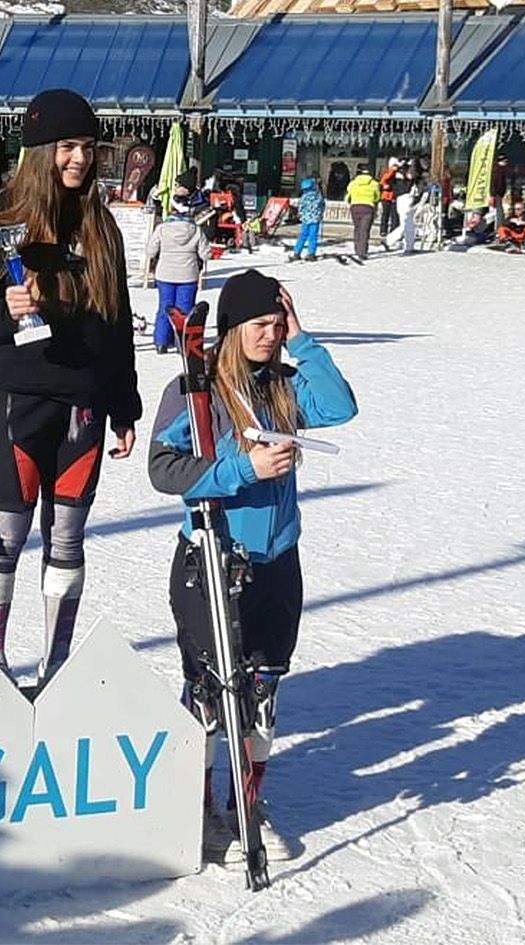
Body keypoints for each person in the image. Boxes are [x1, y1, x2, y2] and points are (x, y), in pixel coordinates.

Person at [147, 268, 357, 865]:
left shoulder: (283, 386)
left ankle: (247, 802)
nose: (269, 335)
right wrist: (244, 469)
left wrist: (303, 338)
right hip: (214, 559)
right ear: (232, 327)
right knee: (212, 693)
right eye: (259, 325)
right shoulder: (197, 391)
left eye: (276, 323)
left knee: (263, 691)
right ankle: (199, 805)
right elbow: (164, 469)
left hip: (277, 561)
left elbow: (340, 407)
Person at [0, 89, 140, 683]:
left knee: (68, 537)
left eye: (87, 148)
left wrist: (124, 403)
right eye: (67, 147)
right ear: (40, 152)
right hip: (17, 400)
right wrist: (7, 311)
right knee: (5, 535)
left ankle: (56, 666)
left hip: (82, 408)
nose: (80, 160)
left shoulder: (101, 227)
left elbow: (117, 323)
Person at [147, 201, 208, 354]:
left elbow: (150, 251)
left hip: (165, 274)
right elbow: (206, 253)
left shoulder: (161, 229)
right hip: (188, 275)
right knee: (185, 310)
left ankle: (161, 342)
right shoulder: (196, 230)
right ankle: (182, 343)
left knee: (165, 307)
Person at [345, 165, 379, 261]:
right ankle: (362, 252)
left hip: (355, 206)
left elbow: (347, 196)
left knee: (357, 228)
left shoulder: (353, 183)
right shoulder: (374, 183)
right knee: (365, 230)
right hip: (368, 207)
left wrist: (351, 202)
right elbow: (377, 196)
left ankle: (357, 248)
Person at [291, 177, 324, 262]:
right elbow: (322, 205)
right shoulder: (318, 196)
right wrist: (320, 214)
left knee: (302, 235)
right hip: (315, 219)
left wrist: (300, 215)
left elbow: (300, 208)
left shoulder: (304, 197)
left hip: (305, 219)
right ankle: (311, 253)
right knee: (313, 236)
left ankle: (297, 252)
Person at [377, 157, 400, 243]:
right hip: (386, 196)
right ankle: (383, 230)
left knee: (394, 215)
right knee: (385, 214)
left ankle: (393, 230)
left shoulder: (398, 173)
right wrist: (392, 170)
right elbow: (384, 180)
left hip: (393, 196)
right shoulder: (387, 172)